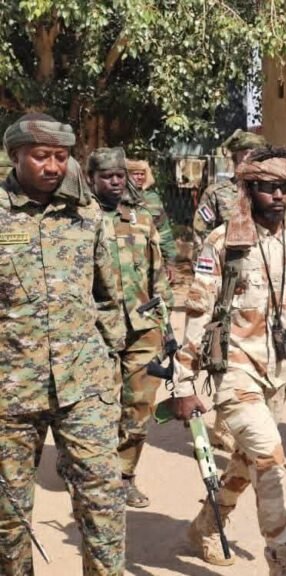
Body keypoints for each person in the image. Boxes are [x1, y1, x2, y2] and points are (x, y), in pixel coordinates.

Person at [168, 146, 286, 572]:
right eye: (268, 188)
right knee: (269, 459)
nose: (279, 196)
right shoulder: (222, 242)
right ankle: (282, 561)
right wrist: (183, 383)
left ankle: (206, 525)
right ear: (248, 190)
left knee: (248, 462)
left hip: (278, 373)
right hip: (234, 370)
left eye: (285, 187)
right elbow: (198, 313)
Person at [0, 114, 126, 574]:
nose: (53, 166)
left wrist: (109, 365)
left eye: (60, 156)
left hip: (84, 388)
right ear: (15, 156)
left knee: (103, 503)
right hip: (10, 394)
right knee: (8, 519)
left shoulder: (86, 214)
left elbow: (109, 297)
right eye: (41, 156)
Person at [87, 147, 174, 509]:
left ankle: (124, 476)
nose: (115, 182)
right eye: (107, 176)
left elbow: (158, 275)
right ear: (91, 179)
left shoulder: (141, 219)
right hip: (96, 331)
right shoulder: (79, 219)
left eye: (120, 176)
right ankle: (93, 474)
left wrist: (166, 327)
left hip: (142, 328)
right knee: (99, 408)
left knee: (139, 407)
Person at [192, 129, 286, 258]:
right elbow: (201, 231)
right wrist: (204, 263)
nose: (249, 157)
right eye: (245, 153)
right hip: (231, 263)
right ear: (235, 157)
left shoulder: (276, 194)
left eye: (255, 154)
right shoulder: (216, 194)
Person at [126, 158, 178, 282]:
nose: (139, 177)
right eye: (135, 174)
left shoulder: (153, 199)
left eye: (142, 174)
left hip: (149, 262)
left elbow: (164, 231)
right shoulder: (116, 198)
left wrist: (170, 262)